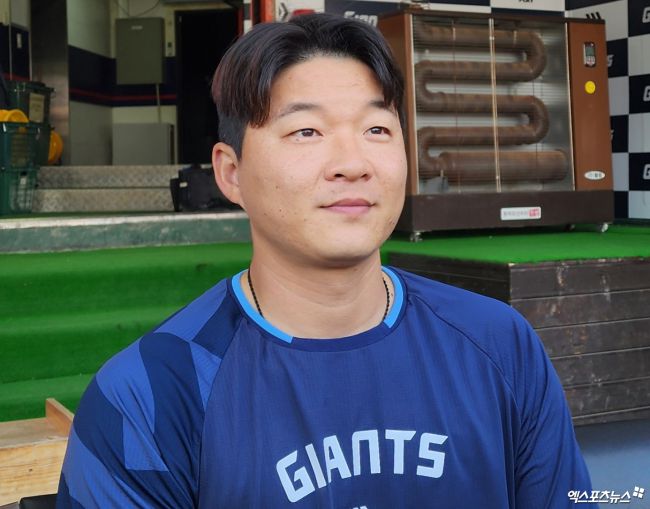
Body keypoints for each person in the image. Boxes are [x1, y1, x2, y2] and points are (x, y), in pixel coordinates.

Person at [57, 13, 594, 508]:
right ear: (231, 174)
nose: (352, 163)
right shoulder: (147, 397)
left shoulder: (501, 345)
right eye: (306, 131)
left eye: (376, 129)